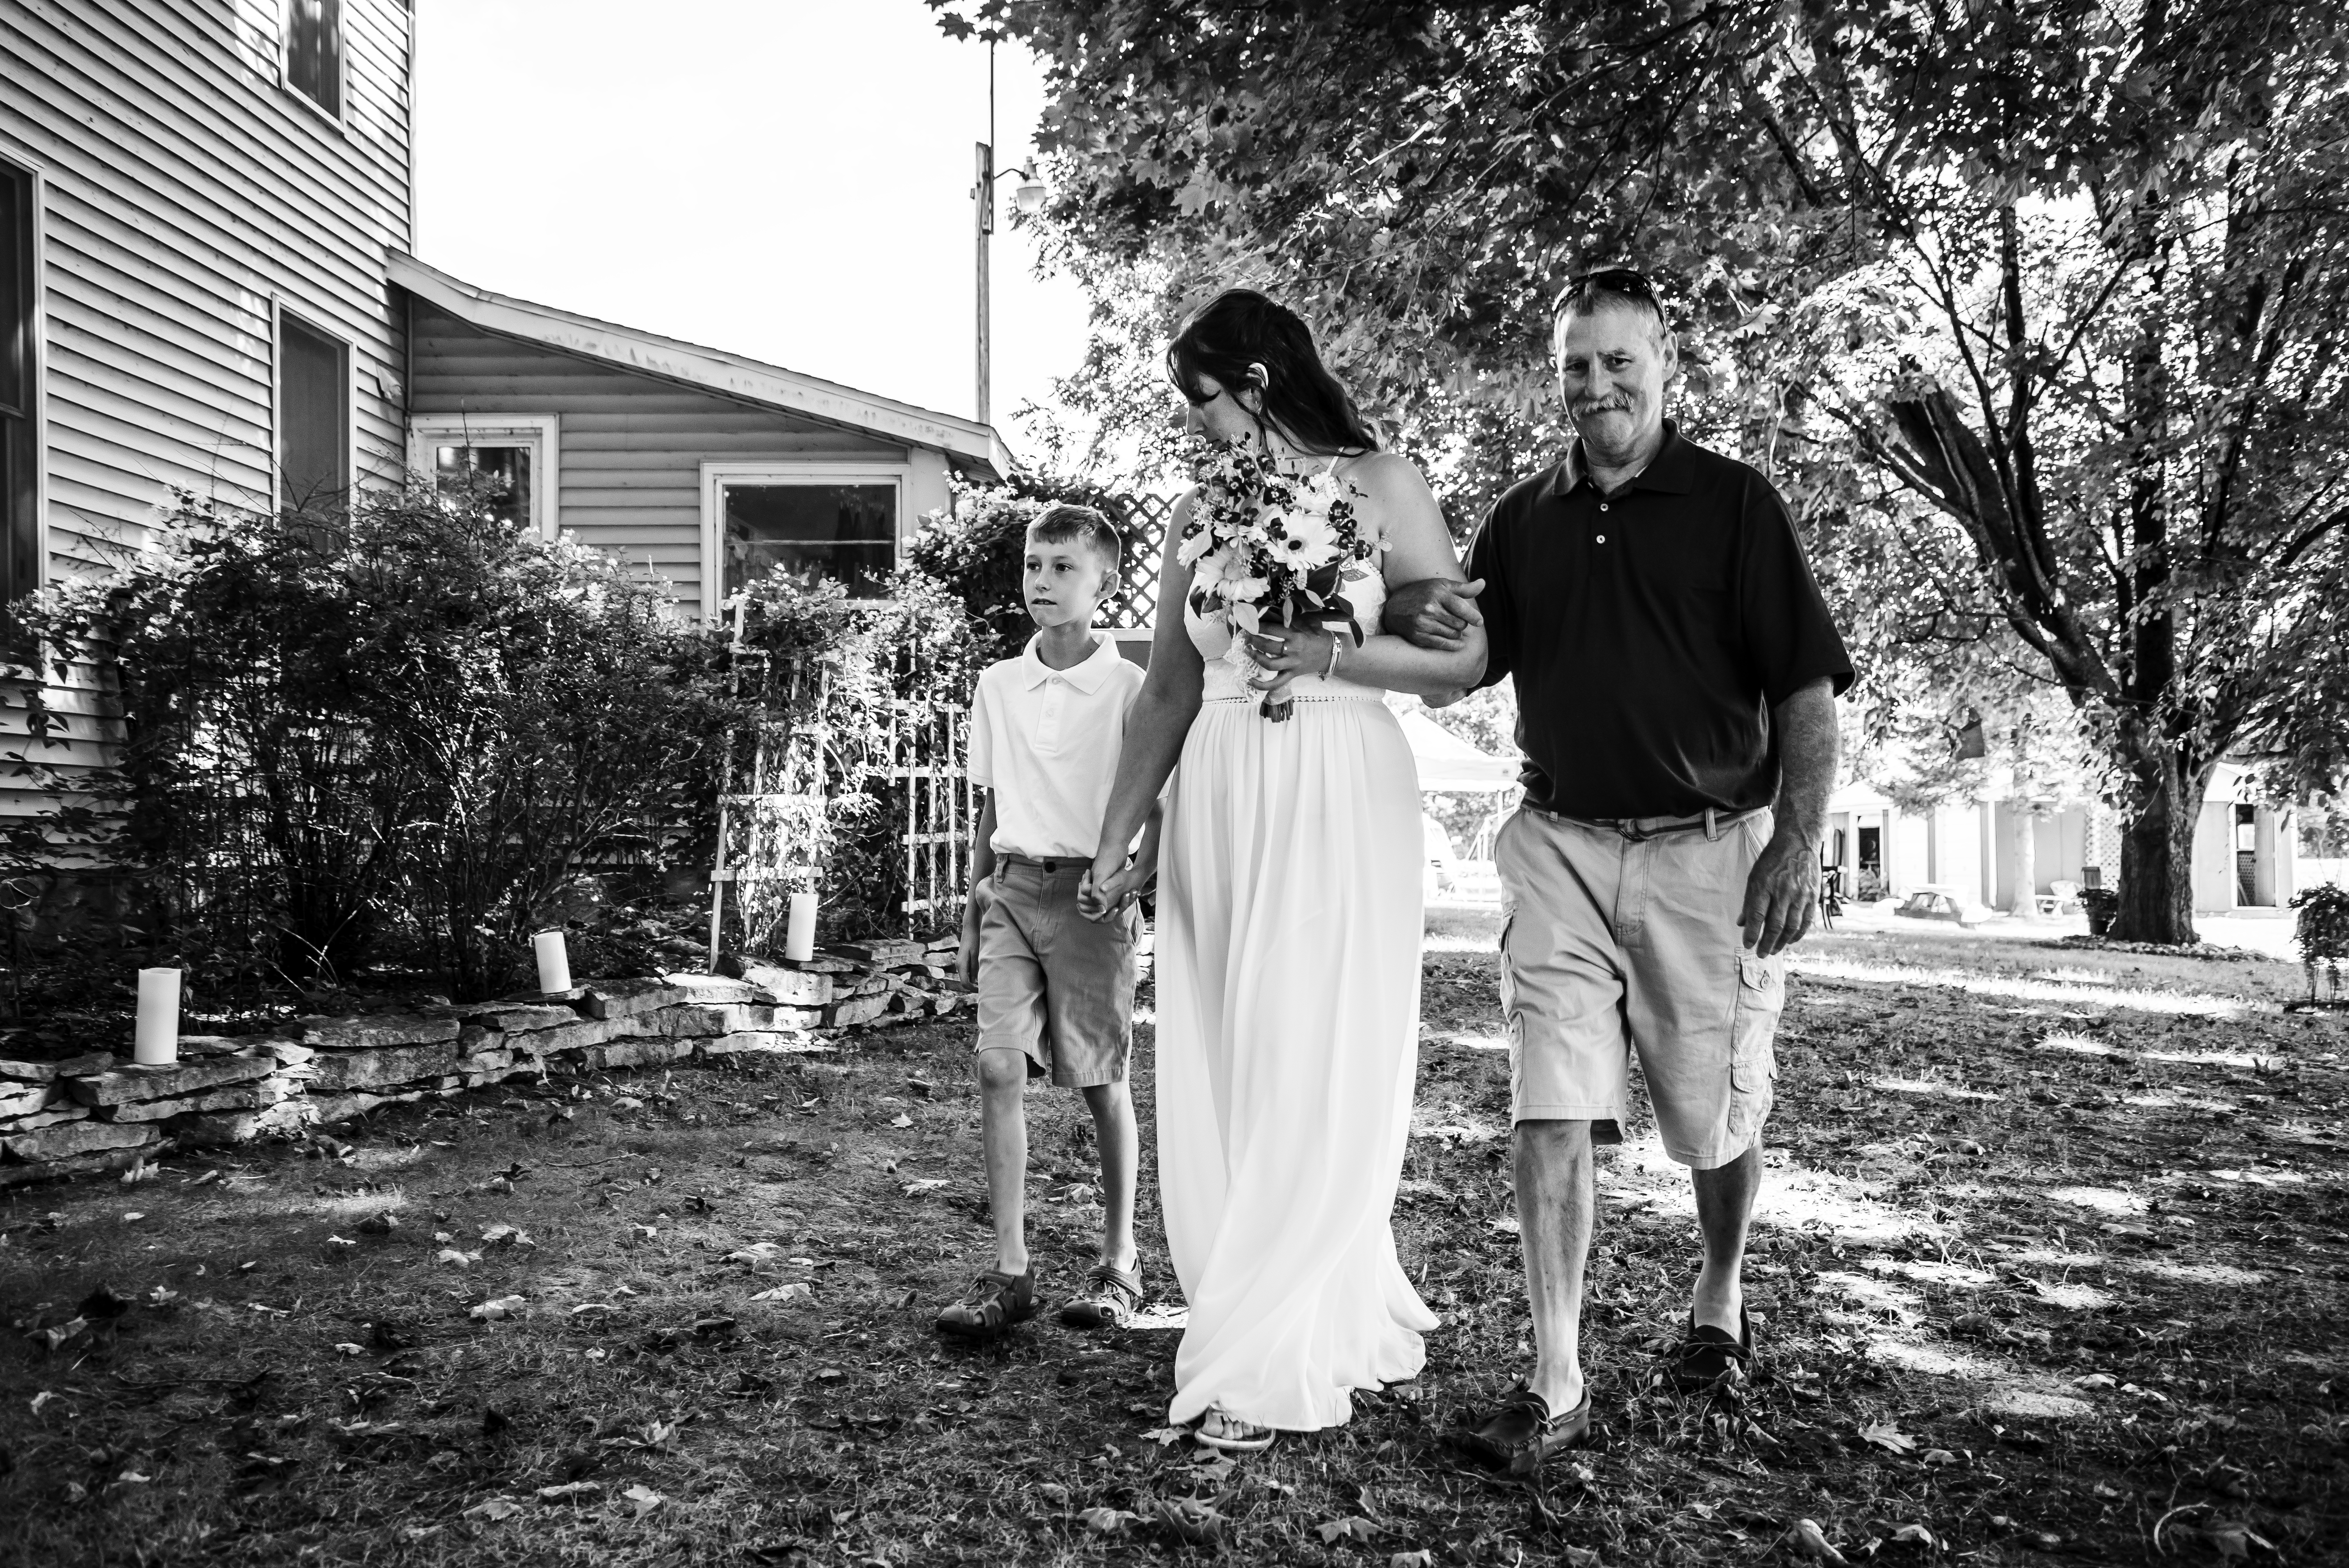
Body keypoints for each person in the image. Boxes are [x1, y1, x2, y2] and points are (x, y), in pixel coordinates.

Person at [1386, 268, 1853, 1472]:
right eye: (1577, 367)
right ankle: (1556, 1376)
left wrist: (1796, 843)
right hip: (1562, 851)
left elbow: (1804, 688)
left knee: (1713, 1115)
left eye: (1619, 363)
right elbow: (1470, 658)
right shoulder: (1523, 516)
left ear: (1665, 368)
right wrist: (1415, 629)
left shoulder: (1737, 504)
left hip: (1711, 853)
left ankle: (1718, 1293)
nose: (1598, 386)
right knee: (1549, 1102)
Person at [1081, 289, 1487, 1451]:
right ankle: (1245, 1289)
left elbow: (1457, 664)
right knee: (1230, 1043)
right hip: (1221, 785)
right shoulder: (1193, 514)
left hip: (1342, 780)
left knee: (1319, 1037)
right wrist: (1120, 830)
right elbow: (1165, 685)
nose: (1196, 426)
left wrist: (1335, 650)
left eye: (1202, 400)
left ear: (1257, 381)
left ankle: (1283, 1338)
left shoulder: (1384, 484)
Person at [935, 504, 1162, 1341]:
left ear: (1105, 582)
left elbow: (1161, 806)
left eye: (1063, 567)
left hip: (1091, 903)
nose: (1042, 581)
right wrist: (971, 909)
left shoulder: (1133, 689)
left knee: (1101, 1083)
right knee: (998, 1067)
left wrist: (1133, 877)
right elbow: (993, 804)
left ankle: (1118, 1261)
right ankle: (1010, 1272)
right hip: (1011, 894)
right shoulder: (998, 684)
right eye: (1034, 565)